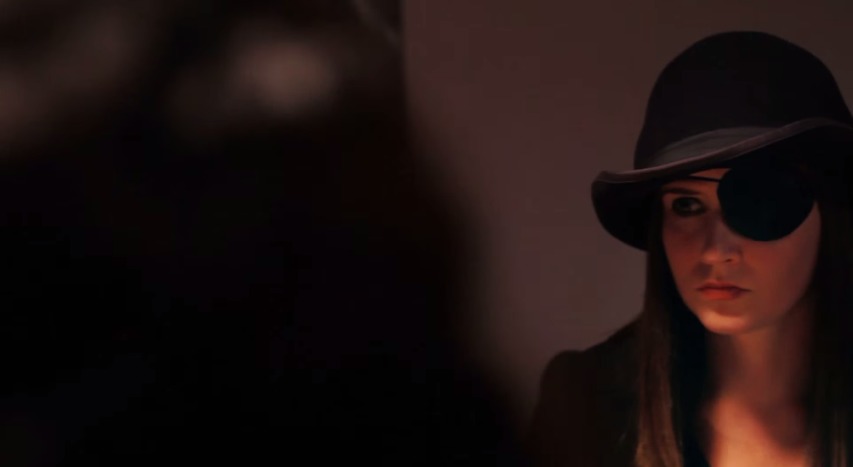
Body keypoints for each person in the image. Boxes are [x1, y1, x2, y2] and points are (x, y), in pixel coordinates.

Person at [527, 31, 853, 467]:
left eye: (759, 201)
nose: (715, 251)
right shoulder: (586, 407)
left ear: (830, 217)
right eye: (686, 205)